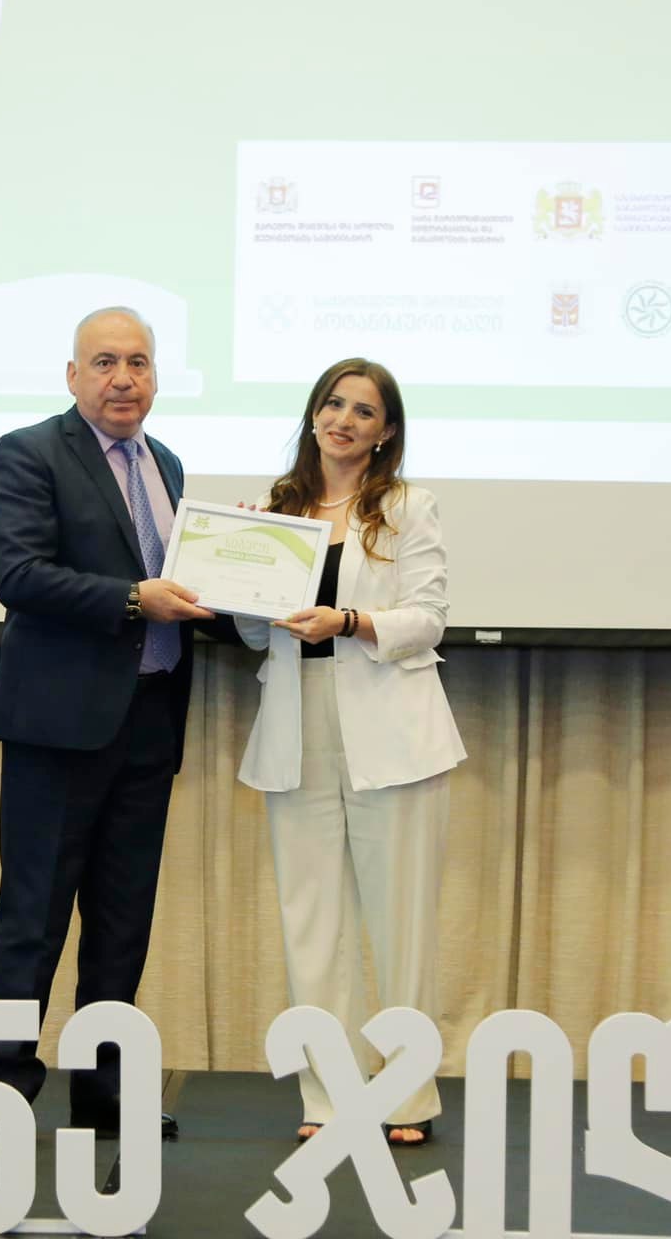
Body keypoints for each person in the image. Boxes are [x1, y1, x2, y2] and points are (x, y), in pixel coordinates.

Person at [0, 306, 213, 1144]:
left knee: (122, 920)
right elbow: (18, 574)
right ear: (73, 376)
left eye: (138, 362)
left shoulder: (167, 464)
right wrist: (131, 599)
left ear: (156, 377)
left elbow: (178, 582)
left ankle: (104, 1090)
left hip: (150, 718)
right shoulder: (30, 452)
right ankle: (4, 1089)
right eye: (105, 362)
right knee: (33, 917)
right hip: (58, 726)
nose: (123, 379)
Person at [236, 357, 466, 1147]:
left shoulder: (407, 507)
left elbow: (429, 617)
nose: (344, 420)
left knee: (401, 920)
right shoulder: (278, 507)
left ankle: (407, 1097)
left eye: (364, 411)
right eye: (333, 404)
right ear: (313, 415)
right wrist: (239, 577)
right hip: (295, 722)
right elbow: (251, 631)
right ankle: (327, 1097)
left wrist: (350, 622)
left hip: (390, 729)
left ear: (385, 432)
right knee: (311, 922)